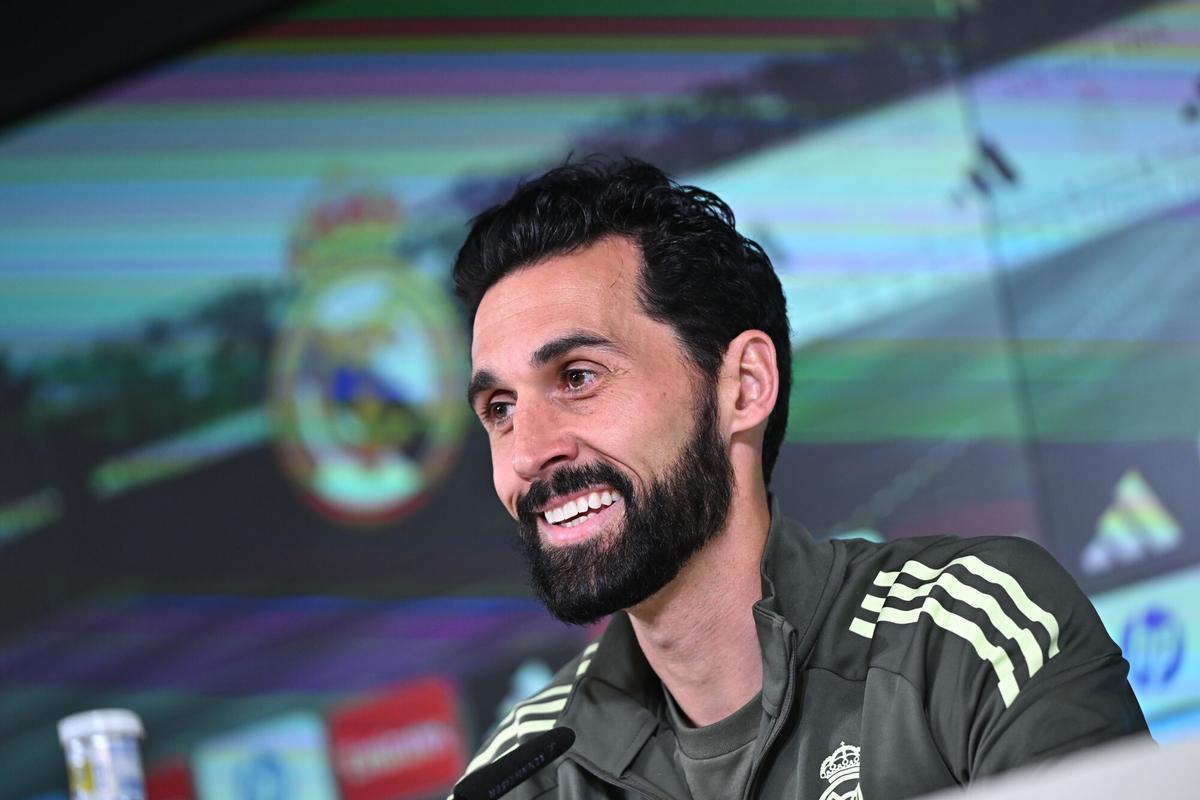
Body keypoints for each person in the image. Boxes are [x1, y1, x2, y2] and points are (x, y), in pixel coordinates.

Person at [450, 157, 1148, 799]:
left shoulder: (964, 631)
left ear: (744, 386)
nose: (526, 454)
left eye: (578, 377)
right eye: (500, 409)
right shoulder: (515, 778)